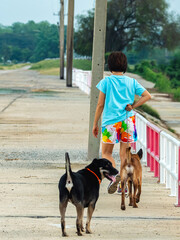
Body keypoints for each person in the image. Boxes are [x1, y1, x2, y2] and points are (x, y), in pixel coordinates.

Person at [92, 51, 151, 194]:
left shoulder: (106, 81)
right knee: (125, 154)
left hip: (110, 122)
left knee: (106, 153)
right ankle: (123, 184)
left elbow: (100, 105)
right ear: (125, 65)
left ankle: (114, 176)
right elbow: (147, 96)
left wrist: (95, 124)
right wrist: (133, 106)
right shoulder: (131, 82)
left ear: (109, 65)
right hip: (127, 121)